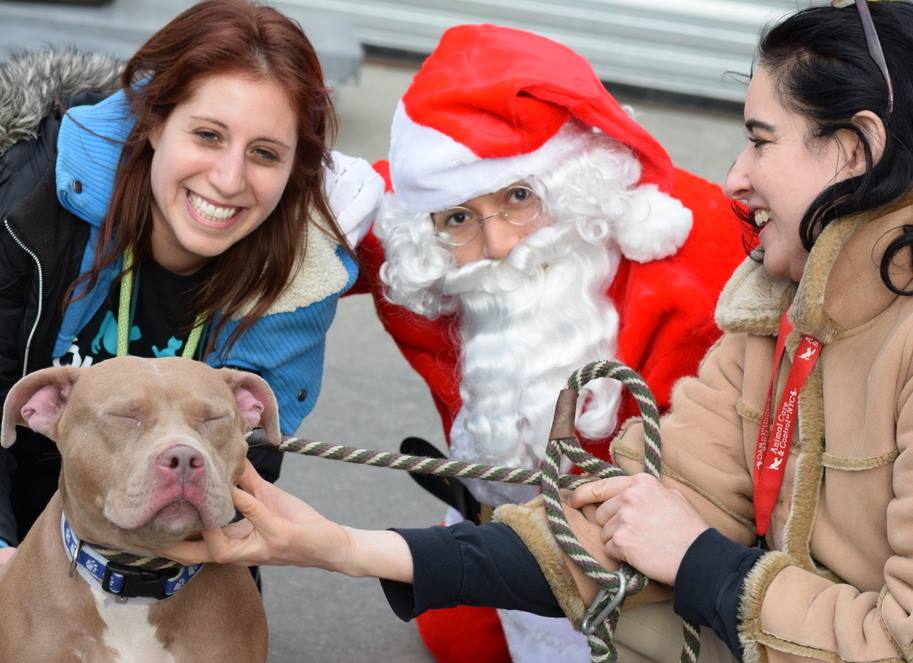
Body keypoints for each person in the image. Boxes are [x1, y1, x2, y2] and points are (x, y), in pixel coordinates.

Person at [162, 2, 913, 661]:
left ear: (853, 149)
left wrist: (699, 561)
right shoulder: (769, 302)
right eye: (459, 215)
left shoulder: (701, 251)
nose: (733, 178)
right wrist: (346, 548)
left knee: (628, 614)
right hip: (551, 526)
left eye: (759, 139)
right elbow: (647, 513)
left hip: (809, 616)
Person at [352, 23, 747, 661]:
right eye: (459, 216)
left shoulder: (697, 250)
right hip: (488, 526)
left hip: (640, 552)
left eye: (517, 197)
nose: (502, 244)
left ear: (575, 180)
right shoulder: (425, 251)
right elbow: (295, 206)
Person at [0, 0, 382, 567]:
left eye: (264, 153)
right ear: (153, 120)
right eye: (207, 135)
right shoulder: (31, 199)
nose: (228, 180)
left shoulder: (300, 270)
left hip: (164, 525)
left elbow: (247, 464)